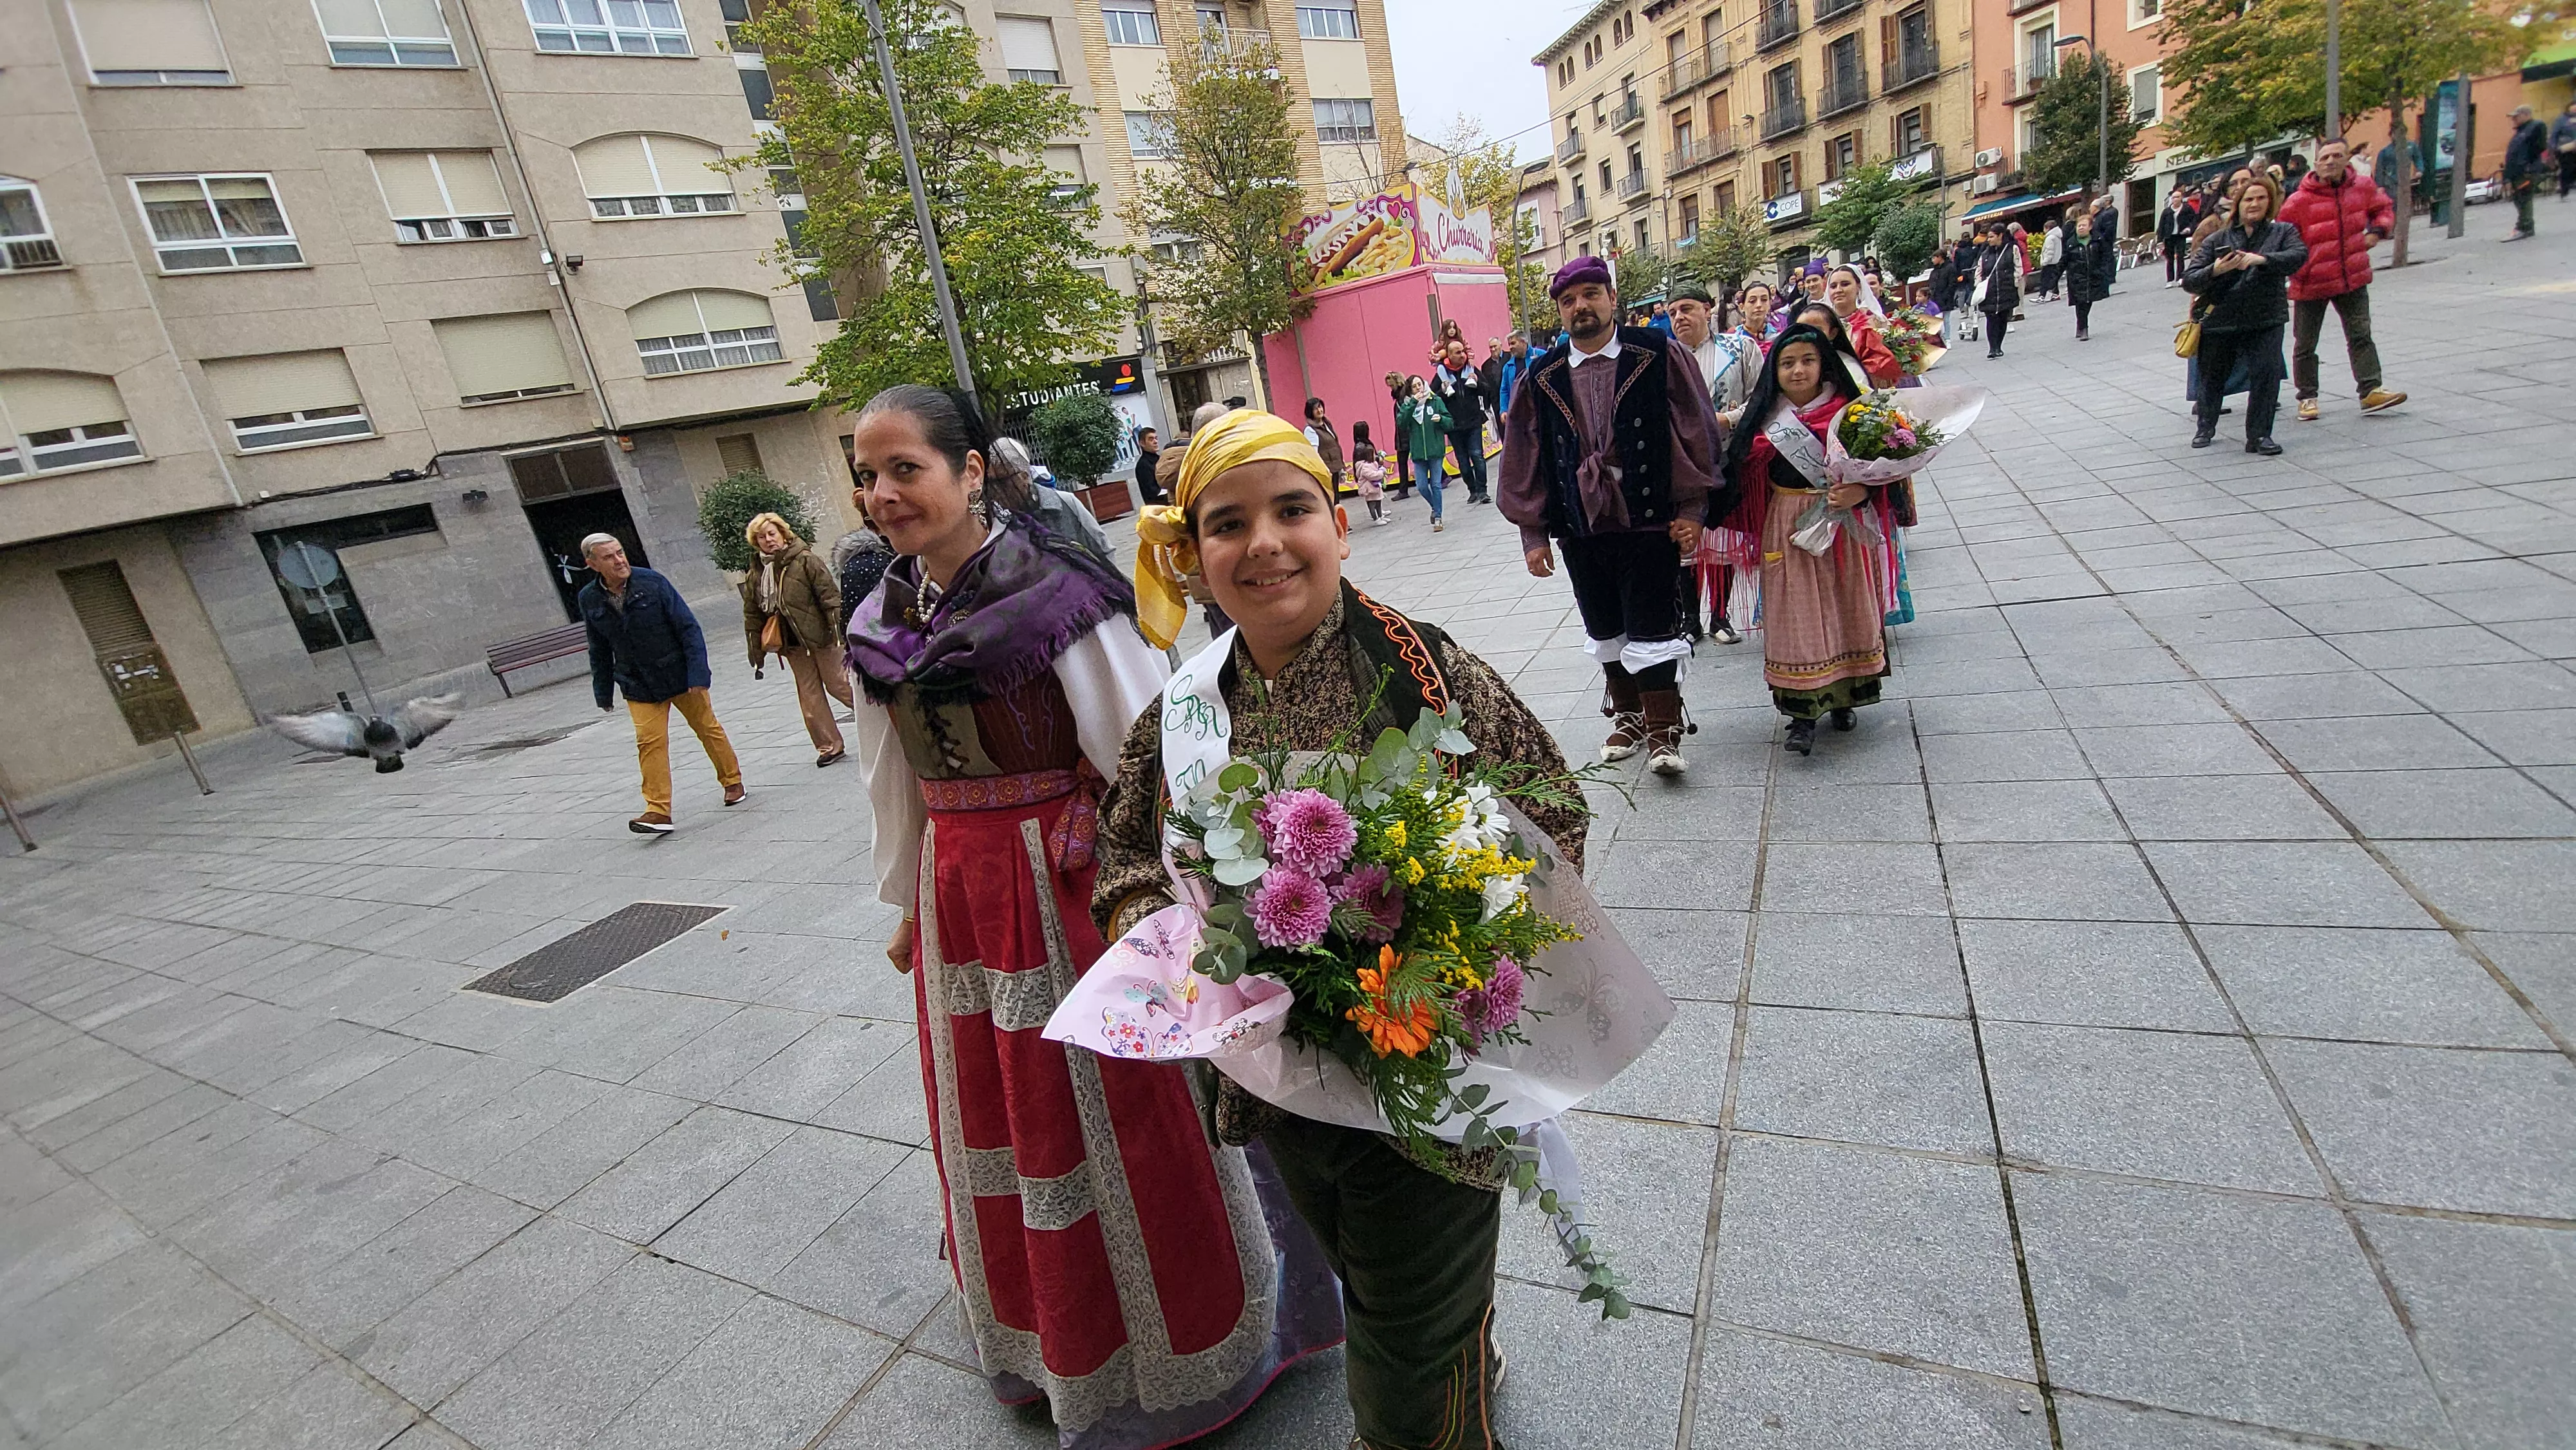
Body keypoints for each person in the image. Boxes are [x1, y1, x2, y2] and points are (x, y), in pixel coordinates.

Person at [848, 387, 1341, 1448]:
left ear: (971, 470)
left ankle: (1196, 1336)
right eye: (868, 474)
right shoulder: (885, 615)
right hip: (961, 897)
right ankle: (1050, 1333)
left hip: (1069, 886)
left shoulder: (1057, 595)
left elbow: (1146, 750)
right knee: (1007, 1104)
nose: (884, 494)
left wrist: (1185, 900)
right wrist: (904, 903)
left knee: (1130, 1107)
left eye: (906, 469)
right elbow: (890, 775)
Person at [1097, 410, 1586, 1450]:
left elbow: (1553, 807)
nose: (1264, 542)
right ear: (1193, 559)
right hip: (1274, 1092)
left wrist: (1470, 937)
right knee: (1379, 1289)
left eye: (1292, 509)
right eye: (1229, 523)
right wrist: (1169, 942)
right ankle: (1462, 1348)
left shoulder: (1423, 669)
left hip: (1432, 1092)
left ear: (1340, 522)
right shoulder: (1182, 711)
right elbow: (1129, 854)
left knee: (1403, 1381)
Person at [1498, 254, 1720, 775]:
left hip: (1649, 518)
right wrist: (1534, 534)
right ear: (1559, 311)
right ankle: (1628, 717)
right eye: (1569, 300)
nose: (1581, 307)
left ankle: (1665, 732)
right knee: (1604, 627)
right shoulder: (1541, 375)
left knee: (1652, 624)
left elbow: (1695, 430)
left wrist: (1693, 508)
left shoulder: (1658, 353)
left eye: (1591, 295)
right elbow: (1525, 456)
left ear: (1613, 299)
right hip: (1580, 527)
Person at [1709, 324, 1897, 756]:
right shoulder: (1766, 417)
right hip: (1788, 521)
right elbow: (1736, 470)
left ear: (1824, 364)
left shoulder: (1852, 412)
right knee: (1796, 613)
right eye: (1788, 363)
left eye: (1808, 361)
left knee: (1844, 602)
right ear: (1775, 369)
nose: (1798, 370)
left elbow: (1888, 470)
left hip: (1841, 518)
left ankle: (1845, 697)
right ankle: (1801, 714)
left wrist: (1863, 490)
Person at [579, 532, 743, 833]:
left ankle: (732, 782)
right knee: (649, 742)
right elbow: (598, 647)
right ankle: (657, 811)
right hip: (638, 683)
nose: (619, 560)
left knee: (707, 728)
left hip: (677, 673)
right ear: (592, 564)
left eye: (620, 552)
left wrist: (698, 674)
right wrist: (603, 691)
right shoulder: (589, 598)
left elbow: (688, 628)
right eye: (609, 557)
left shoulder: (652, 583)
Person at [2278, 136, 2407, 423]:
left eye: (2337, 155)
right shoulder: (2298, 200)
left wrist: (2377, 232)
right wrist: (2297, 266)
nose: (2330, 161)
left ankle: (2371, 390)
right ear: (2316, 163)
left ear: (2347, 159)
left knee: (2361, 335)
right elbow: (2282, 237)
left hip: (2352, 276)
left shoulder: (2362, 187)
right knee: (2305, 343)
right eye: (2325, 157)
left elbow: (2383, 209)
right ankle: (2307, 396)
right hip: (2311, 282)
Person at [2184, 171, 2307, 455]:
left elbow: (2297, 257)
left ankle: (2260, 435)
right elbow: (2190, 278)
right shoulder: (2218, 238)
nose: (2254, 204)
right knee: (2213, 376)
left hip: (2265, 316)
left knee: (2266, 376)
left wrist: (2262, 260)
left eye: (2261, 198)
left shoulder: (2282, 233)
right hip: (2221, 318)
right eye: (2248, 199)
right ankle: (2206, 424)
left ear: (2270, 202)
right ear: (2237, 204)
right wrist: (2217, 269)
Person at [1668, 281, 1757, 646]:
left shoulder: (1739, 348)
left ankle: (1720, 616)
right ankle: (1690, 620)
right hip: (1682, 464)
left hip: (1727, 457)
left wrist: (1730, 419)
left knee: (1722, 541)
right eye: (1673, 312)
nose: (1679, 317)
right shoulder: (1664, 356)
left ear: (1708, 309)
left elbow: (1762, 396)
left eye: (1687, 308)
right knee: (1684, 540)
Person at [738, 511, 853, 767]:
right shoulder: (757, 572)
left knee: (839, 684)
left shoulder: (805, 560)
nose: (768, 540)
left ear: (783, 533)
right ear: (755, 542)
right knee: (809, 695)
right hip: (792, 643)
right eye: (761, 537)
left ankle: (885, 717)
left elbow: (830, 597)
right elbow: (753, 613)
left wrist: (838, 633)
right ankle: (829, 746)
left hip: (822, 638)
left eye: (772, 534)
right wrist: (755, 650)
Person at [1823, 265, 1904, 386]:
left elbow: (1886, 366)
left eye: (1845, 284)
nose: (1838, 290)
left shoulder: (1875, 321)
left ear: (1858, 286)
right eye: (1833, 286)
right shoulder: (1823, 323)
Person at [1434, 340, 1492, 504]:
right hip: (1454, 426)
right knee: (1463, 461)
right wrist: (1443, 390)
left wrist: (1477, 382)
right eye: (1458, 353)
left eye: (1463, 352)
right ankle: (1472, 490)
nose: (1462, 355)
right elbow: (1434, 397)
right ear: (1450, 355)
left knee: (1477, 455)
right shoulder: (1441, 373)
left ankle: (1483, 491)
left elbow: (1486, 389)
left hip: (1473, 422)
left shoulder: (1471, 369)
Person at [1396, 374, 1453, 531]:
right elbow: (1401, 423)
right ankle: (1435, 507)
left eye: (1420, 384)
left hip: (1435, 450)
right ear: (1410, 390)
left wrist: (1440, 419)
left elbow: (1450, 423)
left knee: (1436, 484)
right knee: (1421, 486)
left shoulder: (1435, 401)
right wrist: (1413, 403)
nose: (1418, 388)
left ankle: (1438, 518)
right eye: (1414, 386)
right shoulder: (1408, 405)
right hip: (1419, 453)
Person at [1974, 225, 2022, 358]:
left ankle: (1999, 346)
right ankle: (1992, 348)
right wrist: (1978, 286)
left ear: (2000, 235)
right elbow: (1979, 271)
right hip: (1989, 291)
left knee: (2002, 319)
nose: (1989, 240)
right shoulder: (1985, 254)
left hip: (2006, 289)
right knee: (1991, 319)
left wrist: (2016, 283)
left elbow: (2018, 267)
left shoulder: (2012, 249)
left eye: (1992, 237)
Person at [2504, 104, 2550, 240]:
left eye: (2516, 117)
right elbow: (2512, 155)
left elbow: (2539, 147)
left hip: (2526, 170)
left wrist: (2528, 165)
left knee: (2524, 198)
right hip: (2518, 170)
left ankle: (2525, 227)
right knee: (2519, 198)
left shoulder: (2536, 126)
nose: (2514, 120)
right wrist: (2507, 176)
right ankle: (2524, 226)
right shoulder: (2520, 132)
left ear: (2526, 115)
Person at [2065, 212, 2102, 341]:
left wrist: (2106, 272)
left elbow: (2105, 257)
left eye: (2084, 225)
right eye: (2079, 226)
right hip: (2077, 278)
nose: (2081, 228)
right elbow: (2063, 261)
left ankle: (2080, 325)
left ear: (2090, 227)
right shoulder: (2071, 243)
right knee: (2081, 302)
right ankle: (2084, 328)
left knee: (2088, 301)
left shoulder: (2097, 240)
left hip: (2092, 276)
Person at [1302, 395, 1347, 495]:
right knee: (1331, 498)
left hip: (1334, 467)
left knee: (1336, 497)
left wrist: (1341, 466)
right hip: (1326, 470)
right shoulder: (1310, 429)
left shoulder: (1327, 424)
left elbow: (1334, 445)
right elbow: (1314, 453)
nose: (1319, 410)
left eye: (1320, 407)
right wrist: (1323, 470)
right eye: (1315, 409)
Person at [1381, 370, 1414, 498]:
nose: (1389, 386)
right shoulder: (1400, 395)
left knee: (1404, 461)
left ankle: (1403, 490)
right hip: (1403, 435)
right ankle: (1444, 476)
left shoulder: (1402, 396)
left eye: (1390, 383)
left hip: (1405, 434)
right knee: (1414, 459)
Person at [1349, 419, 1388, 525]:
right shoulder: (1361, 447)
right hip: (1368, 478)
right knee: (1372, 497)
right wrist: (1376, 460)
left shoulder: (1363, 444)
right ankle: (1376, 516)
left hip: (1371, 474)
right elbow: (1364, 462)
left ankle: (1379, 512)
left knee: (1378, 494)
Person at [2159, 189, 2196, 285]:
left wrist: (2189, 229)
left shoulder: (2187, 208)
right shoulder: (2167, 212)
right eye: (2173, 198)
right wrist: (2160, 240)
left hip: (2181, 236)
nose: (2175, 199)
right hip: (2169, 237)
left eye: (2178, 197)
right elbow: (2161, 226)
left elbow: (2194, 220)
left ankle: (2180, 278)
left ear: (2182, 198)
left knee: (2180, 257)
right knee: (2170, 259)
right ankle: (2170, 280)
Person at [1497, 331, 1531, 413]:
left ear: (1523, 342)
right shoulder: (1508, 367)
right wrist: (1504, 410)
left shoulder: (1540, 356)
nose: (1510, 347)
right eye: (1509, 345)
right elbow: (1504, 390)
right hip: (1519, 412)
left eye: (1513, 343)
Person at [2036, 212, 2066, 302]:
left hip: (2049, 262)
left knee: (2045, 279)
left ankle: (2042, 295)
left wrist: (2045, 261)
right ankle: (2055, 294)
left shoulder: (2050, 238)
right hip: (2055, 260)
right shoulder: (2057, 237)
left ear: (2047, 228)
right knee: (2053, 278)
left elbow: (2049, 251)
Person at [1132, 424, 1163, 504]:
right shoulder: (1143, 465)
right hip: (1159, 509)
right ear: (1142, 443)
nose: (1155, 441)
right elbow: (1152, 492)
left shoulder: (1160, 458)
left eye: (1156, 438)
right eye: (1151, 439)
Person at [2554, 100, 2576, 200]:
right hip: (2566, 148)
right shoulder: (2562, 120)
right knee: (2568, 169)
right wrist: (2554, 147)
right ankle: (2564, 189)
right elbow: (2555, 134)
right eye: (2574, 107)